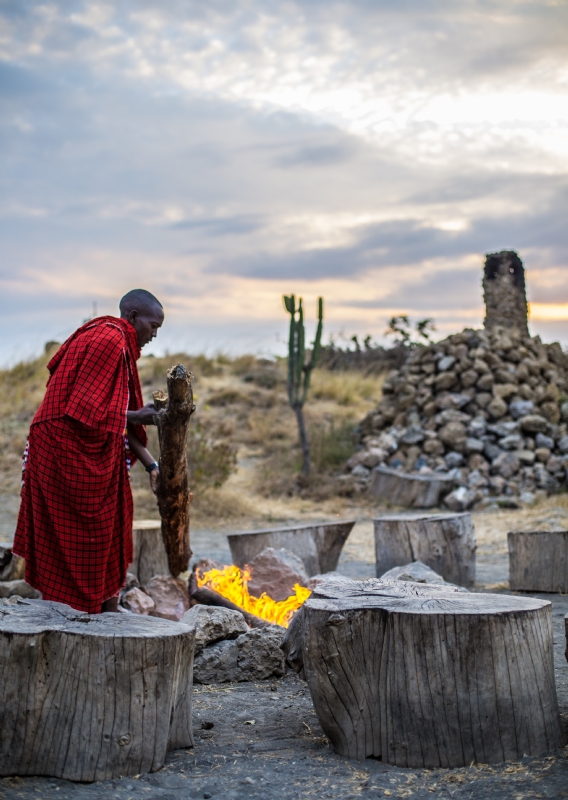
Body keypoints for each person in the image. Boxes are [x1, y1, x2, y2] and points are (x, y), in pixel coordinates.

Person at [13, 289, 164, 613]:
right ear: (133, 317)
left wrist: (153, 467)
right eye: (153, 326)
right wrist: (137, 416)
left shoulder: (117, 343)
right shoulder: (109, 340)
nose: (154, 335)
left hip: (85, 443)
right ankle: (67, 615)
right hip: (61, 445)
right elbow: (83, 407)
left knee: (112, 523)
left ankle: (104, 611)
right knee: (74, 538)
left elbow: (112, 417)